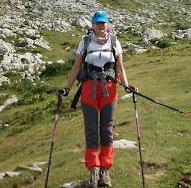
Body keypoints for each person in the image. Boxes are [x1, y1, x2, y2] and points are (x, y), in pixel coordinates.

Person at [56, 11, 136, 188]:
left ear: (108, 24)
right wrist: (67, 89)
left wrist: (127, 85)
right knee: (91, 130)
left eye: (103, 23)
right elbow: (76, 67)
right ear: (92, 24)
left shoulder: (115, 42)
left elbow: (120, 68)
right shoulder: (85, 42)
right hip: (88, 91)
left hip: (109, 90)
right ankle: (93, 168)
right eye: (97, 23)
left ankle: (105, 171)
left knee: (107, 130)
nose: (100, 26)